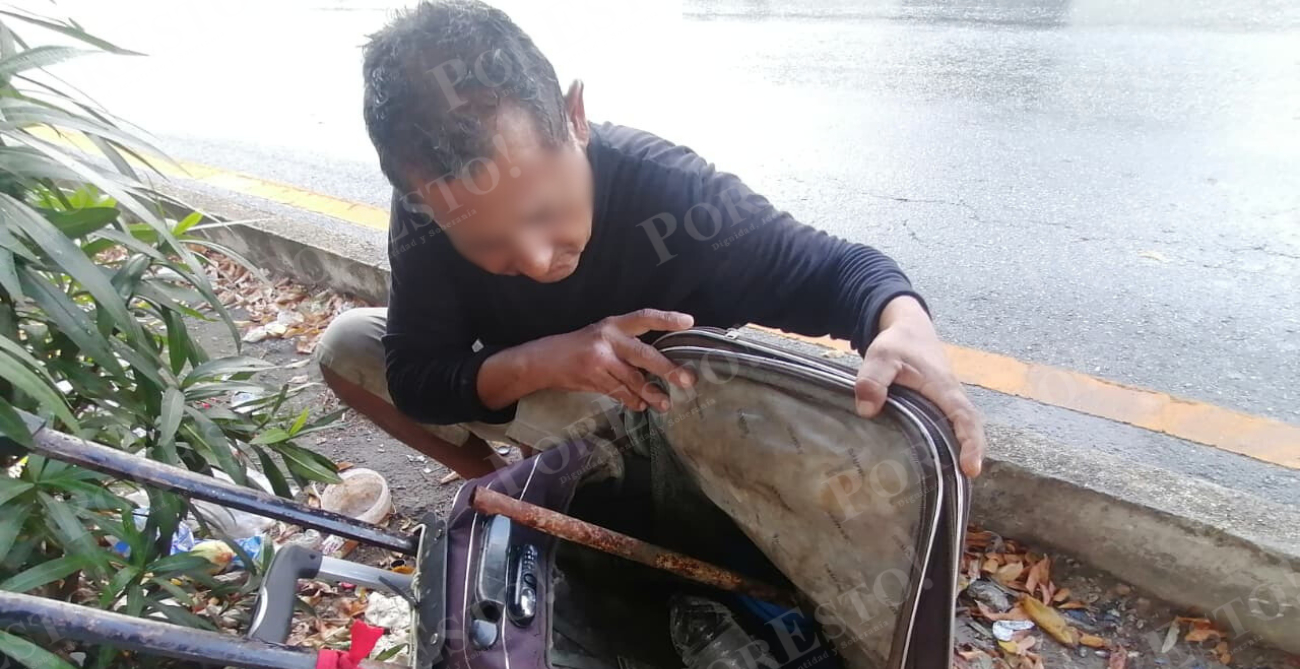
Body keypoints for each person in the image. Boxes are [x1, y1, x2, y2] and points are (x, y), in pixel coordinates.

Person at [319, 0, 985, 480]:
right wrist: (547, 359)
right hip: (534, 393)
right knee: (344, 344)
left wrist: (902, 322)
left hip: (667, 418)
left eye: (547, 212)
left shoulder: (674, 197)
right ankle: (498, 482)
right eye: (486, 244)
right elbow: (411, 376)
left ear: (575, 118)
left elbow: (838, 272)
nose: (534, 260)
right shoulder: (430, 216)